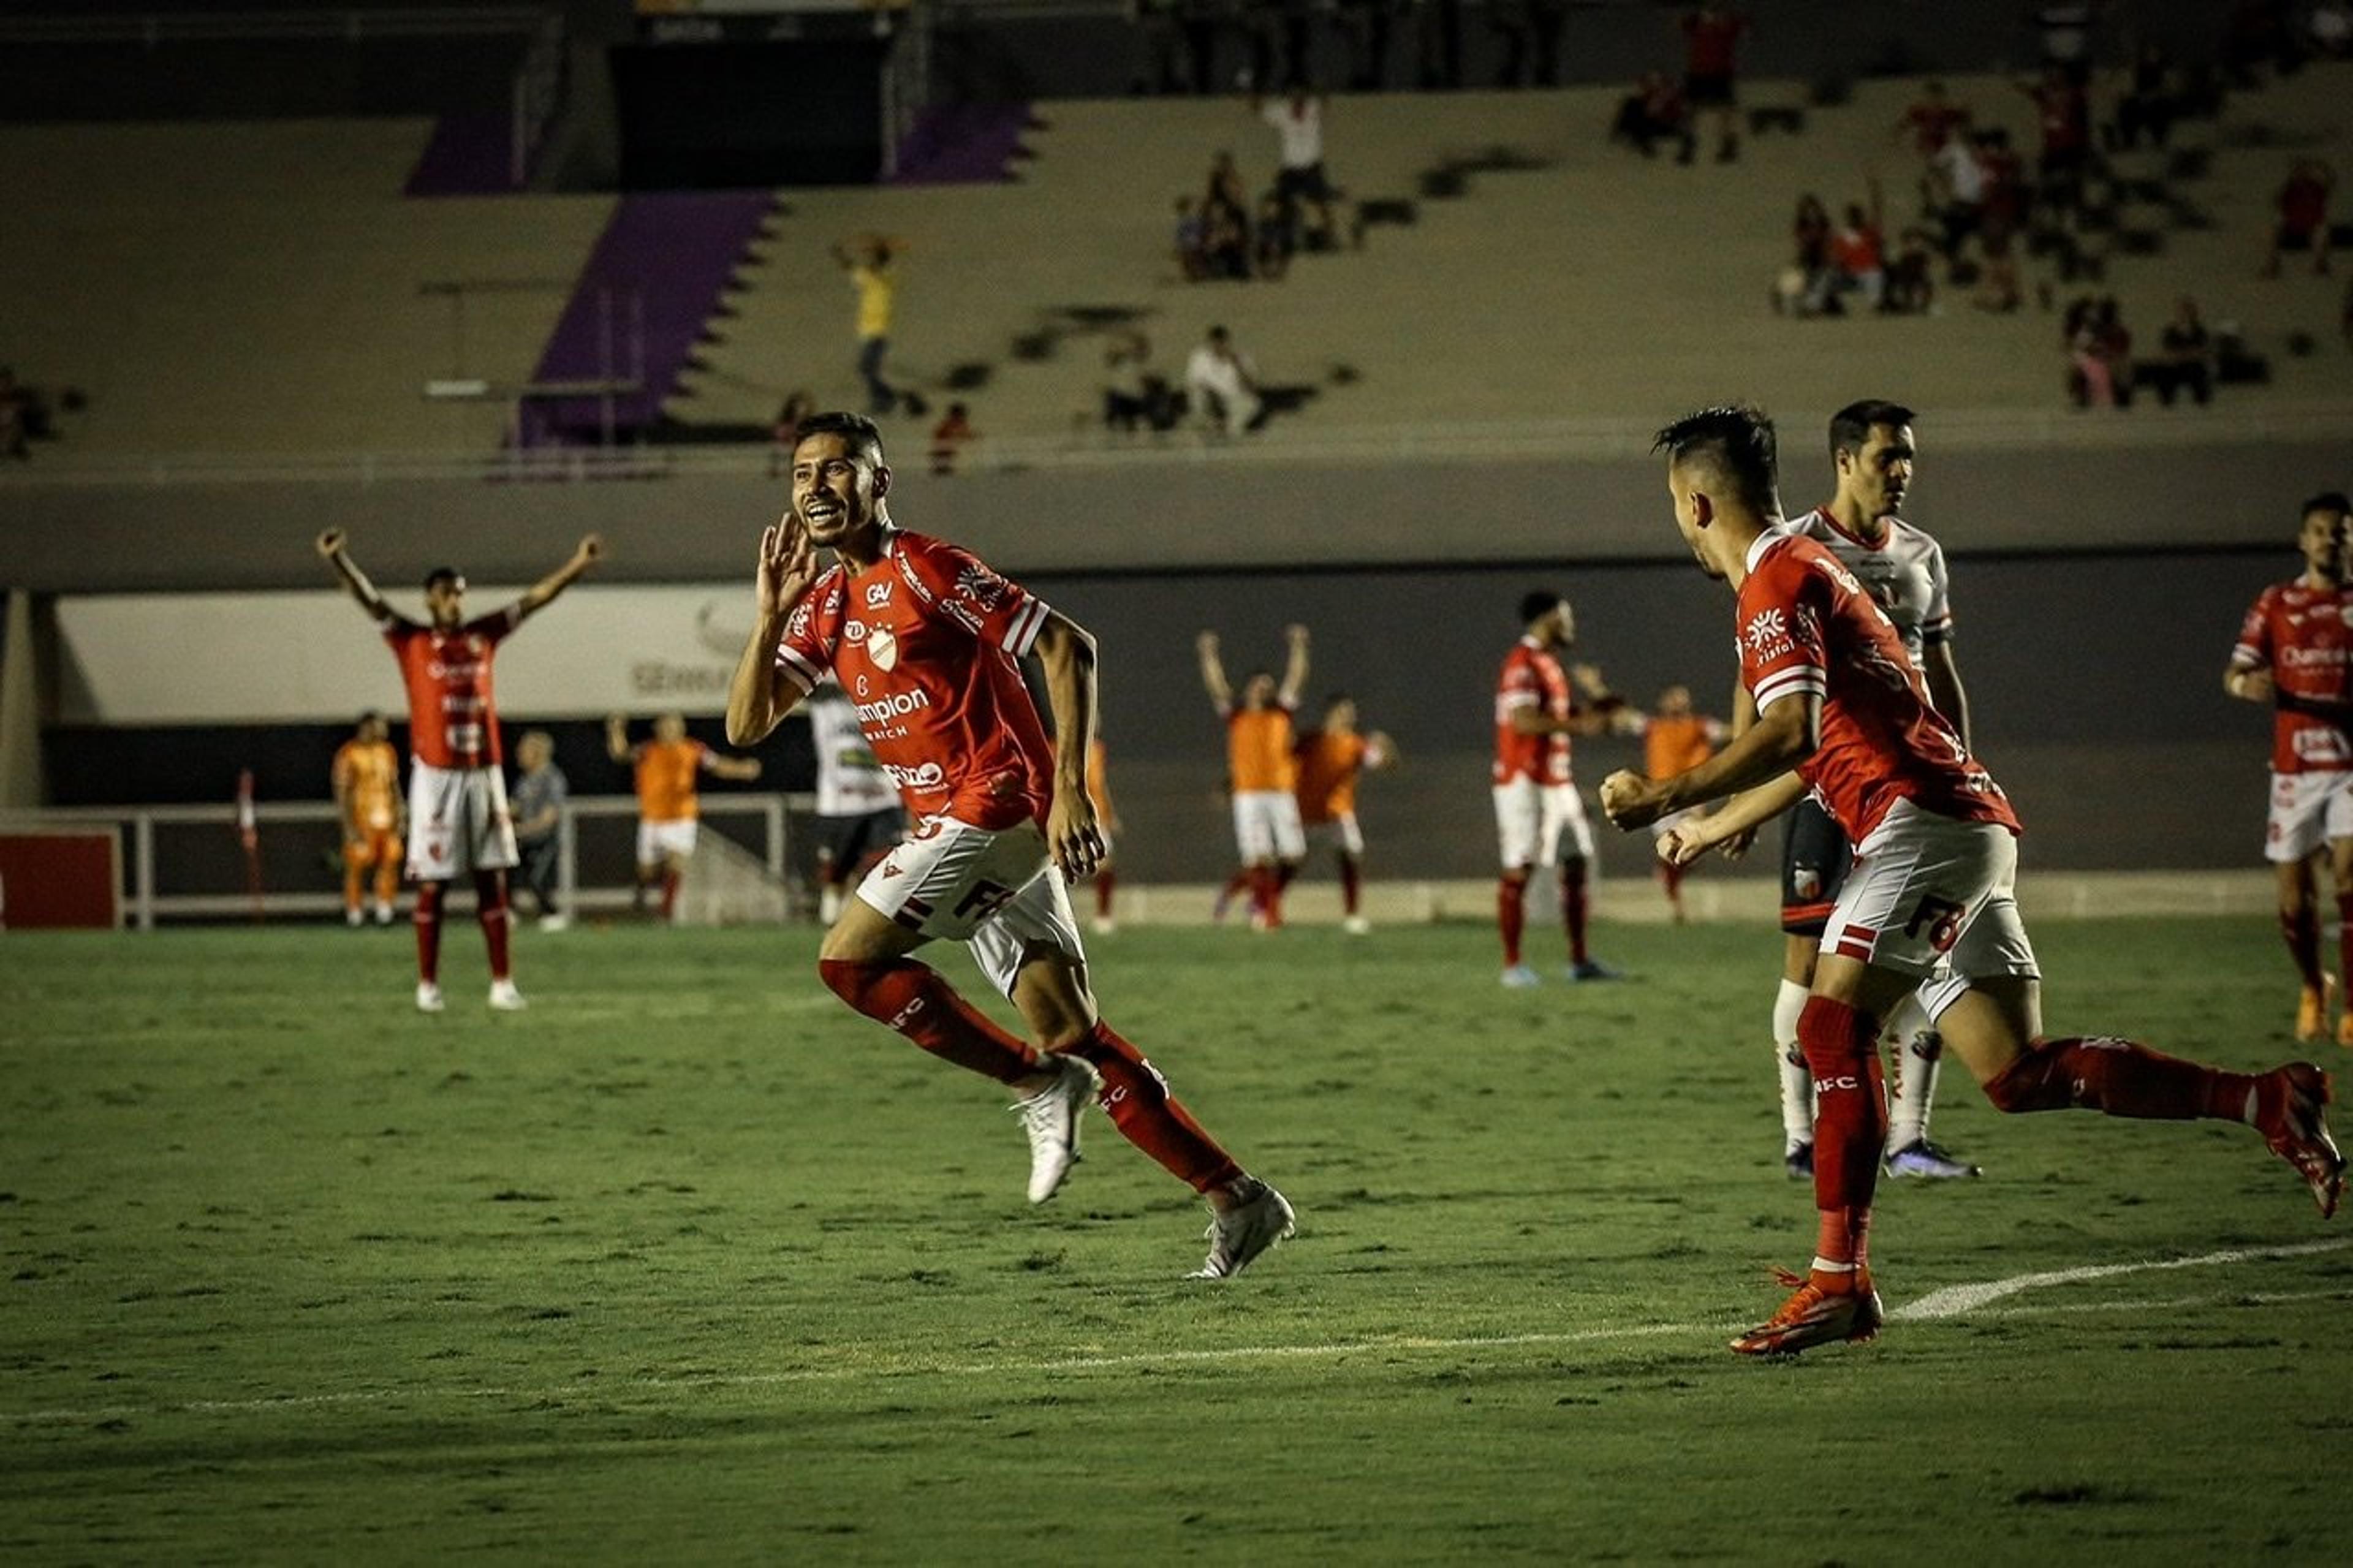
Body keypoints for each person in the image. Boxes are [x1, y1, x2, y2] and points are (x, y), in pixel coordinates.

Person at [1599, 404, 2343, 1357]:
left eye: (1673, 507)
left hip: (1923, 827)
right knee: (2018, 1071)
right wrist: (1709, 824)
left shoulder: (1775, 583)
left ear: (1696, 504)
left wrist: (1661, 791)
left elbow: (1785, 731)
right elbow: (1819, 746)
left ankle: (1839, 1281)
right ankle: (2265, 1099)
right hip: (1969, 824)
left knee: (1831, 1023)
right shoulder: (1813, 566)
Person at [724, 411, 1295, 1277]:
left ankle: (1033, 1084)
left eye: (839, 469)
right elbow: (745, 724)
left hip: (997, 806)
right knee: (1074, 1031)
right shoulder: (824, 606)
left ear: (880, 481)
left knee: (850, 965)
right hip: (958, 826)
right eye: (803, 473)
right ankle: (1237, 1196)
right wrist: (768, 617)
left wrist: (1068, 788)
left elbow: (1070, 646)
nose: (817, 486)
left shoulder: (927, 566)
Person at [1751, 401, 1979, 1182]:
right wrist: (1740, 788)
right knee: (1808, 962)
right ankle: (1801, 1138)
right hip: (1827, 788)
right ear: (1844, 460)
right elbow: (1759, 682)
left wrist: (1963, 765)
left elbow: (1939, 670)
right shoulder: (1799, 548)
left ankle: (1909, 1139)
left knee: (1920, 960)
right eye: (1888, 456)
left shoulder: (1923, 554)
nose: (1903, 471)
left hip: (1915, 790)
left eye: (1909, 455)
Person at [316, 528, 604, 1012]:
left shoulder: (482, 636)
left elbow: (533, 600)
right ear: (431, 599)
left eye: (460, 593)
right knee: (435, 883)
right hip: (437, 777)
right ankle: (428, 985)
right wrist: (340, 560)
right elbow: (371, 602)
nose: (455, 600)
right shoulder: (412, 640)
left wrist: (577, 564)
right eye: (447, 593)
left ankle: (502, 983)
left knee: (492, 878)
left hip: (483, 773)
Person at [2226, 493, 2353, 1044]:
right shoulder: (2277, 602)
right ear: (2304, 539)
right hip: (2295, 768)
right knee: (2293, 903)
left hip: (2350, 765)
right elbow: (2236, 669)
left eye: (2341, 531)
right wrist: (2243, 683)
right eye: (2321, 530)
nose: (2330, 539)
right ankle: (2313, 985)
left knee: (2350, 880)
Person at [1494, 591, 1623, 987]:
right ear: (1548, 618)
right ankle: (1513, 965)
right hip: (1524, 780)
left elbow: (1564, 717)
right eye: (1566, 616)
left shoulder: (1550, 664)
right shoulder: (1522, 662)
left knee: (1577, 862)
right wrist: (1579, 726)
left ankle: (1579, 960)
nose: (1571, 625)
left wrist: (1596, 704)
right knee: (1521, 867)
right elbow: (1524, 722)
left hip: (1557, 780)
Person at [1199, 624, 1311, 930]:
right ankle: (1265, 913)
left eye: (1268, 686)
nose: (1264, 689)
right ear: (1248, 689)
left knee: (1293, 853)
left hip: (1280, 791)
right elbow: (1217, 686)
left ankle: (1239, 893)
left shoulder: (1281, 715)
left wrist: (1299, 647)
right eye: (1259, 685)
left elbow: (1296, 680)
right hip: (1248, 794)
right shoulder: (1237, 716)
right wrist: (1209, 654)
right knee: (1257, 858)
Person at [607, 712, 763, 924]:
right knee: (647, 872)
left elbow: (717, 765)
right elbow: (620, 754)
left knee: (676, 863)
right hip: (652, 818)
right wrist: (616, 731)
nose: (671, 730)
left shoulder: (693, 749)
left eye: (675, 726)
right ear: (658, 730)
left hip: (682, 816)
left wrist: (742, 770)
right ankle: (640, 896)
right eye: (666, 726)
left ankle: (666, 912)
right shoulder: (647, 751)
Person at [1293, 693, 1396, 934]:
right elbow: (1281, 758)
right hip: (1308, 812)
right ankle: (1268, 908)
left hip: (1340, 812)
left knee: (1351, 856)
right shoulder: (1312, 740)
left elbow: (1384, 763)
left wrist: (1388, 752)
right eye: (1347, 711)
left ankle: (1352, 915)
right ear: (1334, 712)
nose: (1352, 716)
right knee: (1292, 862)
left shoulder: (1355, 743)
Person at [806, 678, 905, 925]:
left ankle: (884, 927)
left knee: (889, 871)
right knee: (836, 876)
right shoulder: (826, 700)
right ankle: (832, 926)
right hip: (840, 804)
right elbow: (800, 679)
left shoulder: (885, 696)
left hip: (883, 800)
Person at [1629, 686, 1727, 924]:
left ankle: (1671, 875)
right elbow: (1624, 717)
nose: (1678, 702)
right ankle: (1675, 900)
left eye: (1683, 698)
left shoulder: (1700, 726)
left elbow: (1728, 732)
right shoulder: (1654, 726)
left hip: (1692, 793)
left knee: (1691, 848)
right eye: (1673, 698)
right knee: (1672, 847)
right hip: (1663, 795)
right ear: (1663, 703)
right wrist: (1597, 689)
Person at [332, 711, 402, 928]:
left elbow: (393, 786)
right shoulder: (349, 753)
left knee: (389, 863)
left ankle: (385, 910)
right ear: (367, 727)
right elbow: (342, 791)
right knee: (356, 867)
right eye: (379, 725)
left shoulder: (387, 752)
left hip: (386, 818)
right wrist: (348, 824)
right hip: (362, 819)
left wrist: (400, 815)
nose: (384, 730)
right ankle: (354, 911)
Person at [832, 235, 915, 417]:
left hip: (879, 330)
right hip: (867, 330)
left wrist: (879, 248)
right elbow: (851, 268)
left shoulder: (888, 276)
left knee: (867, 368)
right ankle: (887, 398)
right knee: (868, 369)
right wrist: (840, 254)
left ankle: (886, 399)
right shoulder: (869, 278)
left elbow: (881, 263)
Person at [1252, 87, 1336, 249]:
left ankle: (1329, 234)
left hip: (1311, 166)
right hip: (1291, 168)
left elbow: (1326, 105)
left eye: (1301, 99)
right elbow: (1259, 110)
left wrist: (1323, 90)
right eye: (1294, 98)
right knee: (1282, 202)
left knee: (1320, 202)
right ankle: (1282, 236)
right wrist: (1254, 94)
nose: (1298, 103)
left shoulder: (1313, 107)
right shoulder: (1282, 112)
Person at [509, 729, 569, 931]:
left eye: (524, 750)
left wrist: (521, 829)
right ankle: (509, 912)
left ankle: (553, 914)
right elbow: (516, 807)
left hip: (546, 839)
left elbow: (549, 817)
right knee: (508, 873)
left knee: (537, 879)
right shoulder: (525, 780)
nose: (519, 754)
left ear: (537, 752)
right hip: (526, 839)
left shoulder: (552, 778)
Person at [1679, 2, 1748, 164]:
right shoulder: (1696, 24)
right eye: (1708, 12)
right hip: (1698, 73)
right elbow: (1682, 23)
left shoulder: (1728, 25)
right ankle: (1688, 146)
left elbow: (1746, 28)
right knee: (1691, 110)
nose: (1711, 16)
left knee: (1725, 112)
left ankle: (1728, 146)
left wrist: (1728, 21)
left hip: (1720, 74)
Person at [1186, 325, 1264, 435]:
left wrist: (1238, 366)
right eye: (1215, 343)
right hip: (1209, 398)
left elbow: (1252, 388)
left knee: (1253, 404)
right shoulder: (1200, 358)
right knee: (1198, 397)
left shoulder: (1241, 358)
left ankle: (1231, 429)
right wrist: (1214, 397)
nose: (1219, 347)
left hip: (1231, 399)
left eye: (1222, 343)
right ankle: (1207, 425)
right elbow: (1195, 383)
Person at [2264, 160, 2335, 278]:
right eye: (2298, 172)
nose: (2301, 175)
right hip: (2292, 227)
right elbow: (2277, 204)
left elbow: (2330, 184)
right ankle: (2273, 265)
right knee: (2271, 232)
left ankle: (2321, 265)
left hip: (2312, 226)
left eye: (2304, 172)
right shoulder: (2290, 190)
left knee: (2322, 232)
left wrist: (2324, 168)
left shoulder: (2316, 187)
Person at [2150, 297, 2214, 406]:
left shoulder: (2200, 331)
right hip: (2176, 367)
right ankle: (2167, 402)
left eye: (2188, 311)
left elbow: (2203, 352)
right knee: (2163, 372)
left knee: (2201, 373)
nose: (2185, 314)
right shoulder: (2170, 331)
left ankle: (2202, 401)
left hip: (2194, 367)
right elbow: (2166, 353)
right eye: (2182, 311)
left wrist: (2184, 354)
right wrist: (2187, 354)